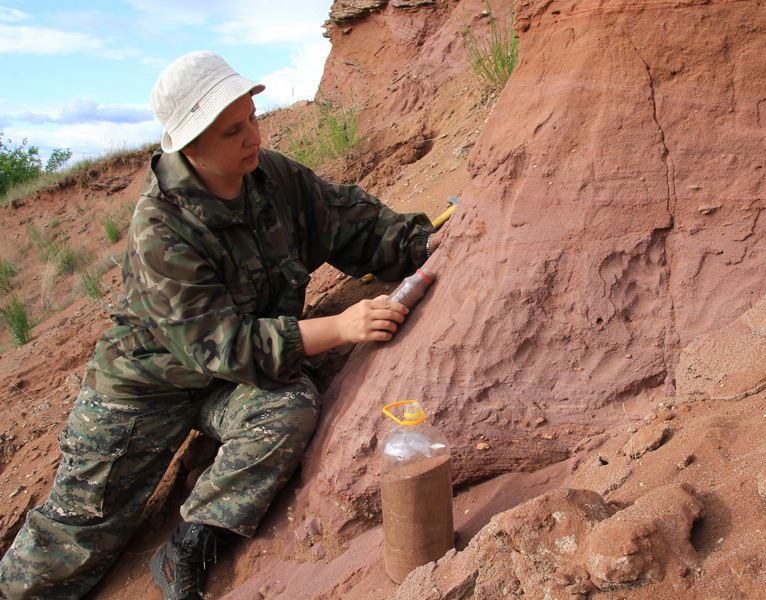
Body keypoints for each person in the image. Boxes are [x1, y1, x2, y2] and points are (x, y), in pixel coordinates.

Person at [0, 51, 444, 600]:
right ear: (190, 145)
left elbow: (351, 224)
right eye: (232, 130)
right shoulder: (159, 229)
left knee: (288, 408)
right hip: (145, 390)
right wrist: (340, 327)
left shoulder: (271, 177)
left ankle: (191, 543)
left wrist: (423, 243)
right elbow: (222, 346)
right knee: (74, 536)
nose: (252, 136)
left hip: (227, 383)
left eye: (252, 117)